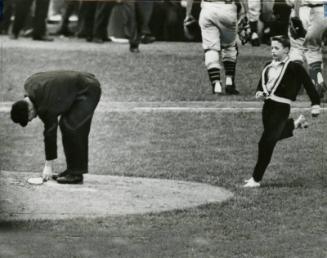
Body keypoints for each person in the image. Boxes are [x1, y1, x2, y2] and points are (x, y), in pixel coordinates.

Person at [244, 35, 321, 188]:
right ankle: (295, 124)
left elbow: (308, 85)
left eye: (277, 48)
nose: (273, 51)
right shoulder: (268, 65)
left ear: (286, 50)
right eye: (272, 48)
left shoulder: (294, 67)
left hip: (281, 108)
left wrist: (315, 104)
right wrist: (260, 92)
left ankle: (256, 179)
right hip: (267, 108)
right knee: (272, 137)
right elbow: (261, 85)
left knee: (265, 143)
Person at [10, 71, 101, 184]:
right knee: (65, 124)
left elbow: (50, 133)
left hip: (88, 89)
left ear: (30, 110)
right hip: (77, 86)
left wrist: (48, 166)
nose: (33, 119)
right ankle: (71, 170)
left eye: (30, 118)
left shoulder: (44, 106)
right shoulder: (29, 84)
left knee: (73, 127)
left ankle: (76, 174)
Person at [185, 0, 242, 95]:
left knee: (211, 49)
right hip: (228, 8)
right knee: (230, 46)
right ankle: (229, 81)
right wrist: (246, 13)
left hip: (208, 9)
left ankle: (216, 84)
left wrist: (188, 14)